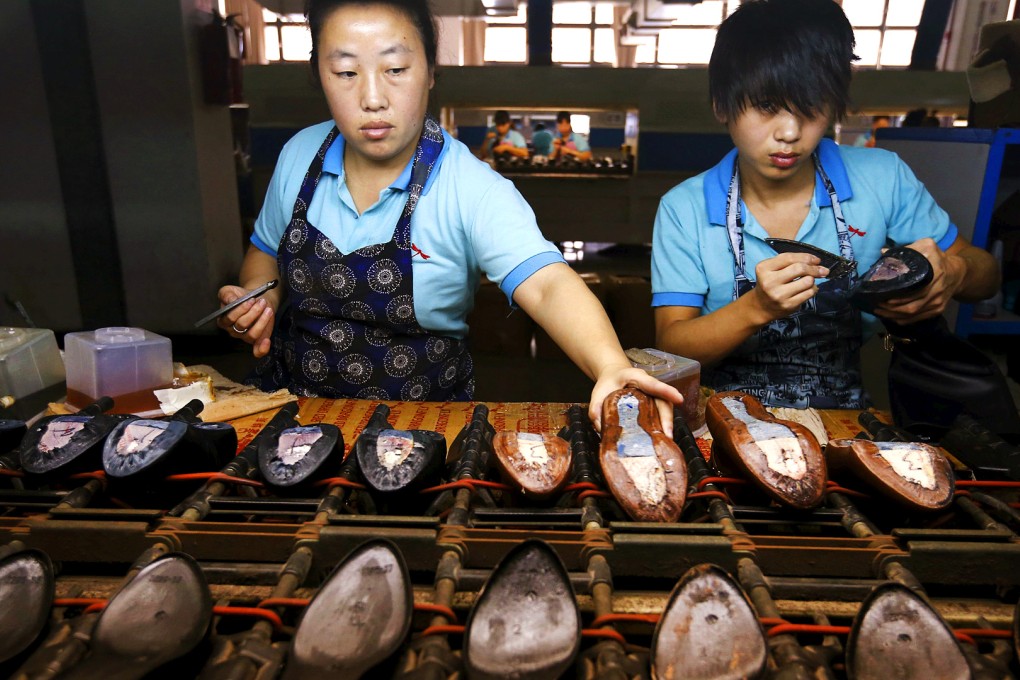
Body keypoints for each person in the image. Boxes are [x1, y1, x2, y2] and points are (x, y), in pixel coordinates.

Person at [216, 0, 681, 430]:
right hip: (297, 412)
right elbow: (264, 253)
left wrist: (611, 365)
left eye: (396, 68)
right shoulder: (300, 155)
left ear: (431, 71)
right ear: (319, 73)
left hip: (424, 423)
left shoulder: (470, 187)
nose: (372, 97)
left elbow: (547, 284)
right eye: (344, 72)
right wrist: (260, 302)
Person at [651, 0, 998, 409]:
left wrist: (954, 272)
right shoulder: (684, 208)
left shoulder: (882, 177)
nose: (790, 132)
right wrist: (756, 308)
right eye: (767, 106)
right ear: (722, 105)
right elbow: (671, 350)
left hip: (844, 420)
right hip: (722, 423)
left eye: (811, 107)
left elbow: (986, 276)